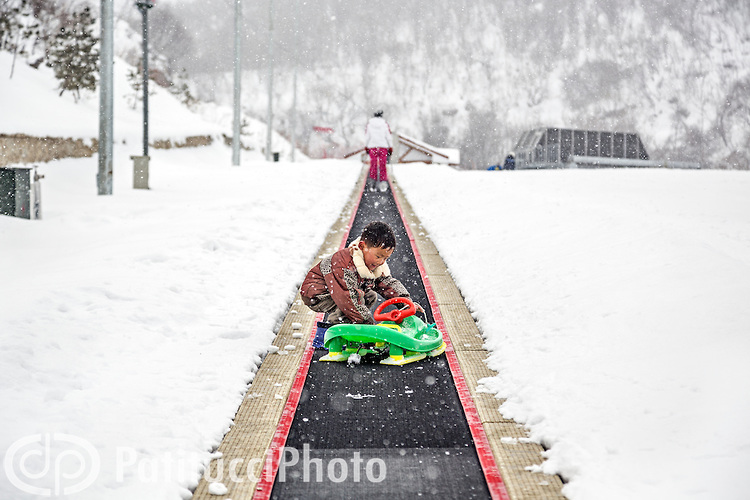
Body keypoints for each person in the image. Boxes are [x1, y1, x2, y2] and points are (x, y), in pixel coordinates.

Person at [300, 221, 423, 334]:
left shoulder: (371, 262)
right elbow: (347, 296)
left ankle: (349, 322)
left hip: (338, 290)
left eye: (386, 258)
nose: (381, 262)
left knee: (370, 296)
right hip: (317, 294)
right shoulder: (344, 266)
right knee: (351, 302)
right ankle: (335, 329)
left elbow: (386, 282)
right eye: (378, 256)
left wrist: (406, 304)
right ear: (362, 246)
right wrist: (368, 325)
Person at [364, 110, 393, 192]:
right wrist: (390, 147)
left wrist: (366, 146)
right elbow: (388, 136)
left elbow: (367, 136)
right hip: (383, 146)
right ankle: (383, 183)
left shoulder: (369, 125)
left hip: (372, 146)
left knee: (373, 164)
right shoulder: (385, 125)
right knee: (382, 165)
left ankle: (372, 183)